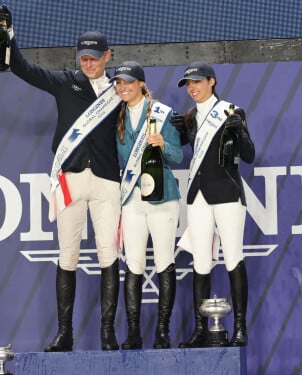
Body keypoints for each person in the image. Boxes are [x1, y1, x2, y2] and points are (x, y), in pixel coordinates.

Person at [0, 5, 123, 351]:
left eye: (95, 58)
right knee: (68, 255)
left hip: (108, 181)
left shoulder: (120, 90)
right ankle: (65, 334)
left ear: (108, 56)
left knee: (109, 253)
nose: (89, 63)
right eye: (84, 57)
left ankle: (108, 332)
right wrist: (9, 34)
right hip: (71, 180)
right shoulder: (66, 82)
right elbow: (20, 67)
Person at [170, 61, 255, 348]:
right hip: (198, 196)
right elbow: (185, 151)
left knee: (233, 257)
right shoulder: (191, 117)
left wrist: (240, 131)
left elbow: (249, 155)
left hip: (228, 194)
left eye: (197, 82)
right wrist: (179, 132)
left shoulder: (231, 111)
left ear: (212, 81)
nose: (192, 88)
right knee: (201, 262)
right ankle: (200, 329)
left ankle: (240, 328)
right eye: (188, 84)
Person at [110, 61, 183, 349]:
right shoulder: (115, 115)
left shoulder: (162, 113)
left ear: (141, 83)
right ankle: (133, 332)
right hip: (131, 199)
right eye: (118, 82)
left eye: (128, 81)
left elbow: (177, 156)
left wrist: (164, 144)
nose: (123, 87)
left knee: (165, 261)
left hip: (163, 198)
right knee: (134, 264)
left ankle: (162, 331)